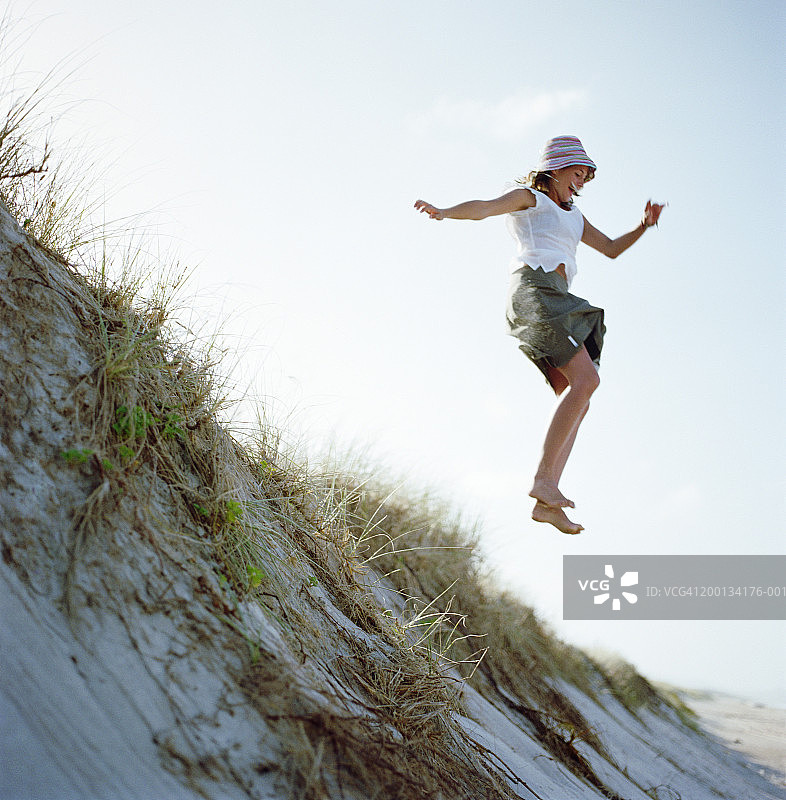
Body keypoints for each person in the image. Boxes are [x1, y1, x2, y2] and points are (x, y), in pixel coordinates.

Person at [414, 135, 664, 535]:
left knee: (581, 393)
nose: (580, 181)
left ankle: (548, 497)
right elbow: (484, 208)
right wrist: (444, 211)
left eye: (585, 176)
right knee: (586, 381)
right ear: (555, 170)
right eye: (576, 172)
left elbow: (612, 249)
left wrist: (644, 226)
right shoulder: (533, 199)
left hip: (560, 298)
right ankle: (544, 481)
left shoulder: (575, 216)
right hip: (535, 291)